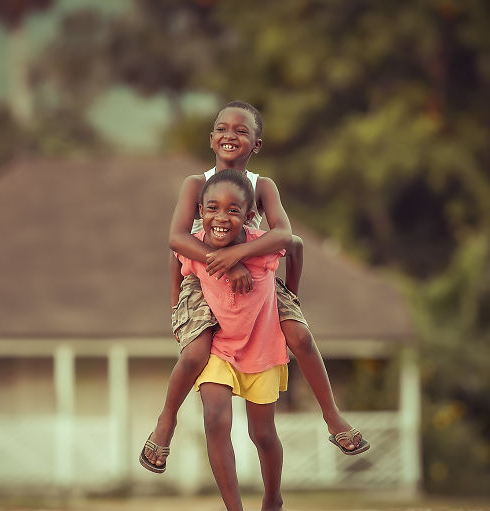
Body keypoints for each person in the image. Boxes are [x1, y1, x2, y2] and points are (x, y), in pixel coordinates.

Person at [140, 100, 369, 475]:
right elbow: (176, 239)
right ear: (212, 138)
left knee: (301, 337)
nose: (230, 135)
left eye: (241, 131)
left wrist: (243, 259)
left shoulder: (263, 186)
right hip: (202, 277)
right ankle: (166, 422)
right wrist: (225, 267)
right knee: (195, 353)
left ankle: (332, 416)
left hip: (255, 278)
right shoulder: (195, 184)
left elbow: (285, 234)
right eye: (222, 129)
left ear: (257, 145)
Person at [180, 169, 291, 511]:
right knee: (214, 418)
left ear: (248, 216)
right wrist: (176, 314)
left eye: (233, 211)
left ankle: (272, 506)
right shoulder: (196, 247)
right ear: (199, 211)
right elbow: (174, 255)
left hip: (262, 348)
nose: (221, 217)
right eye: (212, 208)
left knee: (262, 433)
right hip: (219, 349)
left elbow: (297, 244)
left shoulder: (264, 246)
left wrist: (293, 293)